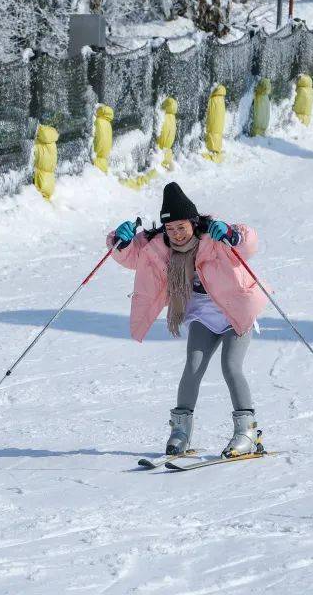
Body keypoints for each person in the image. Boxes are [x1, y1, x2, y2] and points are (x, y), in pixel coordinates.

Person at [107, 182, 267, 458]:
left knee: (230, 366)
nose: (176, 235)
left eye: (181, 227)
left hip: (235, 310)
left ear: (193, 223)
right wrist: (118, 241)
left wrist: (233, 234)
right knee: (192, 368)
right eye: (170, 229)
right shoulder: (160, 248)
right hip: (203, 316)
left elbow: (249, 242)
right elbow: (132, 256)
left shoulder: (214, 239)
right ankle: (180, 431)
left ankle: (247, 432)